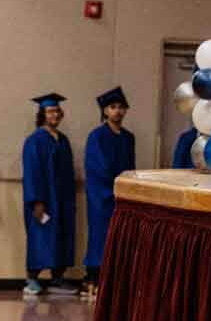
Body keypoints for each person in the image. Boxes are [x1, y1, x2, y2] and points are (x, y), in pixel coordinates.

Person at [21, 93, 77, 296]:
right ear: (42, 114)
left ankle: (57, 278)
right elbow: (31, 172)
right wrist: (36, 201)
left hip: (62, 199)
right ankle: (32, 279)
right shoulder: (34, 140)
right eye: (50, 111)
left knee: (61, 236)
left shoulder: (63, 140)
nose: (55, 114)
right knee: (40, 236)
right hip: (43, 200)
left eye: (57, 111)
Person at [83, 86, 134, 298]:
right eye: (113, 107)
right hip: (101, 196)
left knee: (120, 237)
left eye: (121, 107)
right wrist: (112, 188)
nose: (118, 111)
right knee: (100, 236)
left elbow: (131, 168)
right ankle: (93, 277)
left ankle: (116, 280)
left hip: (122, 196)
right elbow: (97, 167)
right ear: (105, 111)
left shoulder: (128, 137)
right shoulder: (97, 136)